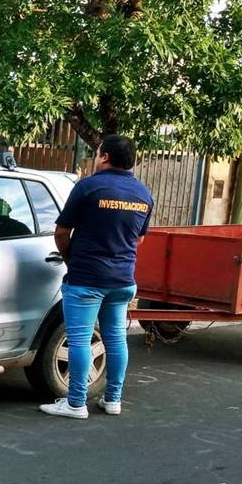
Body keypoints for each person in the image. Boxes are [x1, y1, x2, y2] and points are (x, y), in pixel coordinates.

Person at [40, 134, 153, 419]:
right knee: (115, 339)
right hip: (123, 280)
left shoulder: (89, 187)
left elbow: (61, 232)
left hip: (87, 278)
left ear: (105, 157)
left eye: (97, 153)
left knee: (79, 340)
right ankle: (113, 399)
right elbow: (139, 240)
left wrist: (71, 260)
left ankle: (76, 402)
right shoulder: (143, 194)